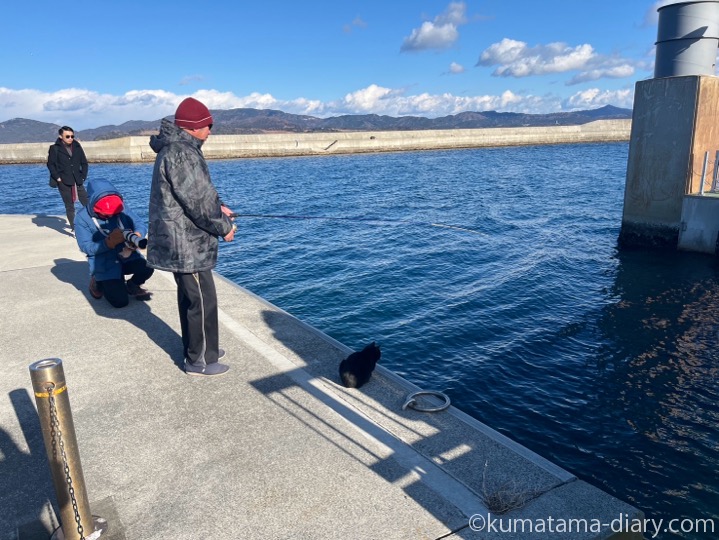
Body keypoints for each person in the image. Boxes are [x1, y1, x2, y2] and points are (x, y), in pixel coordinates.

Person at [147, 97, 235, 377]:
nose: (210, 130)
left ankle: (201, 348)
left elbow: (199, 192)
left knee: (192, 297)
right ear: (194, 127)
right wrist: (224, 226)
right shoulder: (182, 153)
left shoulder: (177, 149)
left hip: (181, 239)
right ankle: (199, 360)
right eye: (208, 125)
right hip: (187, 243)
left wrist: (219, 205)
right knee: (201, 299)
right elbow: (197, 200)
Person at [75, 178, 154, 308]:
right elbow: (85, 247)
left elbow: (139, 223)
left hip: (126, 255)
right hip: (105, 263)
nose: (110, 216)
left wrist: (138, 234)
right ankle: (98, 281)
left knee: (148, 266)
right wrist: (108, 243)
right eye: (106, 215)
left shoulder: (121, 206)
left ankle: (132, 285)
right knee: (120, 302)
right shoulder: (82, 218)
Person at [47, 126, 89, 232]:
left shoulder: (77, 146)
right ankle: (75, 229)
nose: (70, 138)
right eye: (67, 136)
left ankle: (93, 224)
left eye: (72, 136)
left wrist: (83, 177)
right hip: (64, 182)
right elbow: (51, 164)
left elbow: (84, 162)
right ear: (61, 136)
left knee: (88, 204)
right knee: (70, 207)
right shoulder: (54, 148)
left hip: (78, 181)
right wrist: (58, 178)